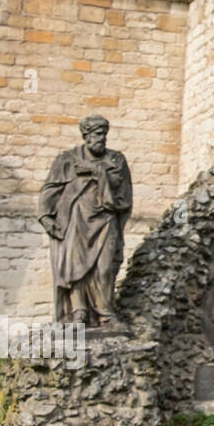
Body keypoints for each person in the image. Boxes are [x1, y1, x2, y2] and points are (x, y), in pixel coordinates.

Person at [38, 115, 133, 326]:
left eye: (104, 135)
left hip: (106, 218)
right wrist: (46, 217)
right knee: (76, 266)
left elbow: (123, 190)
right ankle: (78, 311)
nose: (102, 139)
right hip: (75, 218)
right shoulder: (67, 159)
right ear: (86, 136)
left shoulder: (116, 160)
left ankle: (106, 312)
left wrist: (96, 171)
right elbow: (50, 189)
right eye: (97, 135)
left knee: (105, 267)